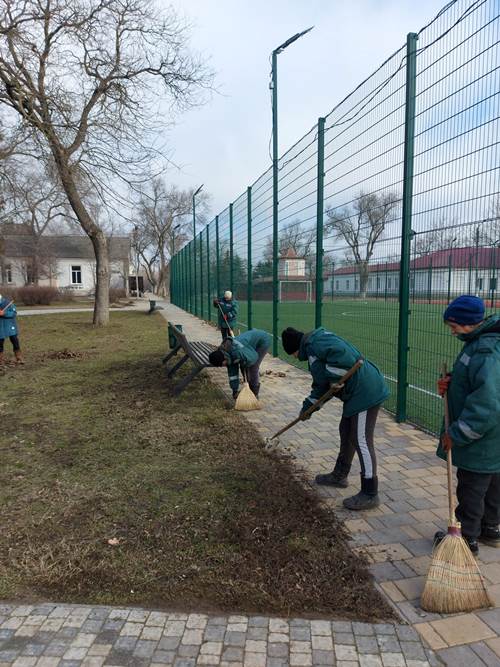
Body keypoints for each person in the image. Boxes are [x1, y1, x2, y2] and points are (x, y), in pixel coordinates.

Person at [281, 326, 389, 510]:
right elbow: (321, 387)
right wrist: (308, 409)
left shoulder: (317, 342)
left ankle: (370, 492)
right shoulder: (312, 350)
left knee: (360, 439)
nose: (294, 357)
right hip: (355, 394)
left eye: (292, 353)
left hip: (366, 391)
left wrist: (333, 378)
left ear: (295, 347)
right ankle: (340, 475)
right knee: (346, 431)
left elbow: (342, 355)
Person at [434, 295, 500, 554]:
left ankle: (466, 540)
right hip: (492, 438)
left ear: (469, 322)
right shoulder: (480, 342)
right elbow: (475, 381)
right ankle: (491, 527)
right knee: (493, 479)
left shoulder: (486, 350)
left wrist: (457, 434)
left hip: (482, 437)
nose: (452, 331)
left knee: (472, 485)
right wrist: (453, 382)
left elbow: (487, 403)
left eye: (454, 325)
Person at [208, 328, 270, 399]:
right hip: (248, 347)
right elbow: (233, 373)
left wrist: (244, 364)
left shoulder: (236, 351)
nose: (223, 366)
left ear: (223, 358)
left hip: (262, 341)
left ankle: (254, 393)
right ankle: (248, 387)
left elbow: (253, 358)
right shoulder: (227, 355)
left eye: (222, 364)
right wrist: (235, 391)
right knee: (244, 366)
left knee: (253, 367)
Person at [0, 293, 23, 365]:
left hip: (9, 325)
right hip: (0, 327)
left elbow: (14, 313)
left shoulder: (7, 303)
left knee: (14, 340)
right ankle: (0, 360)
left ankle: (19, 357)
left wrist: (4, 313)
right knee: (0, 343)